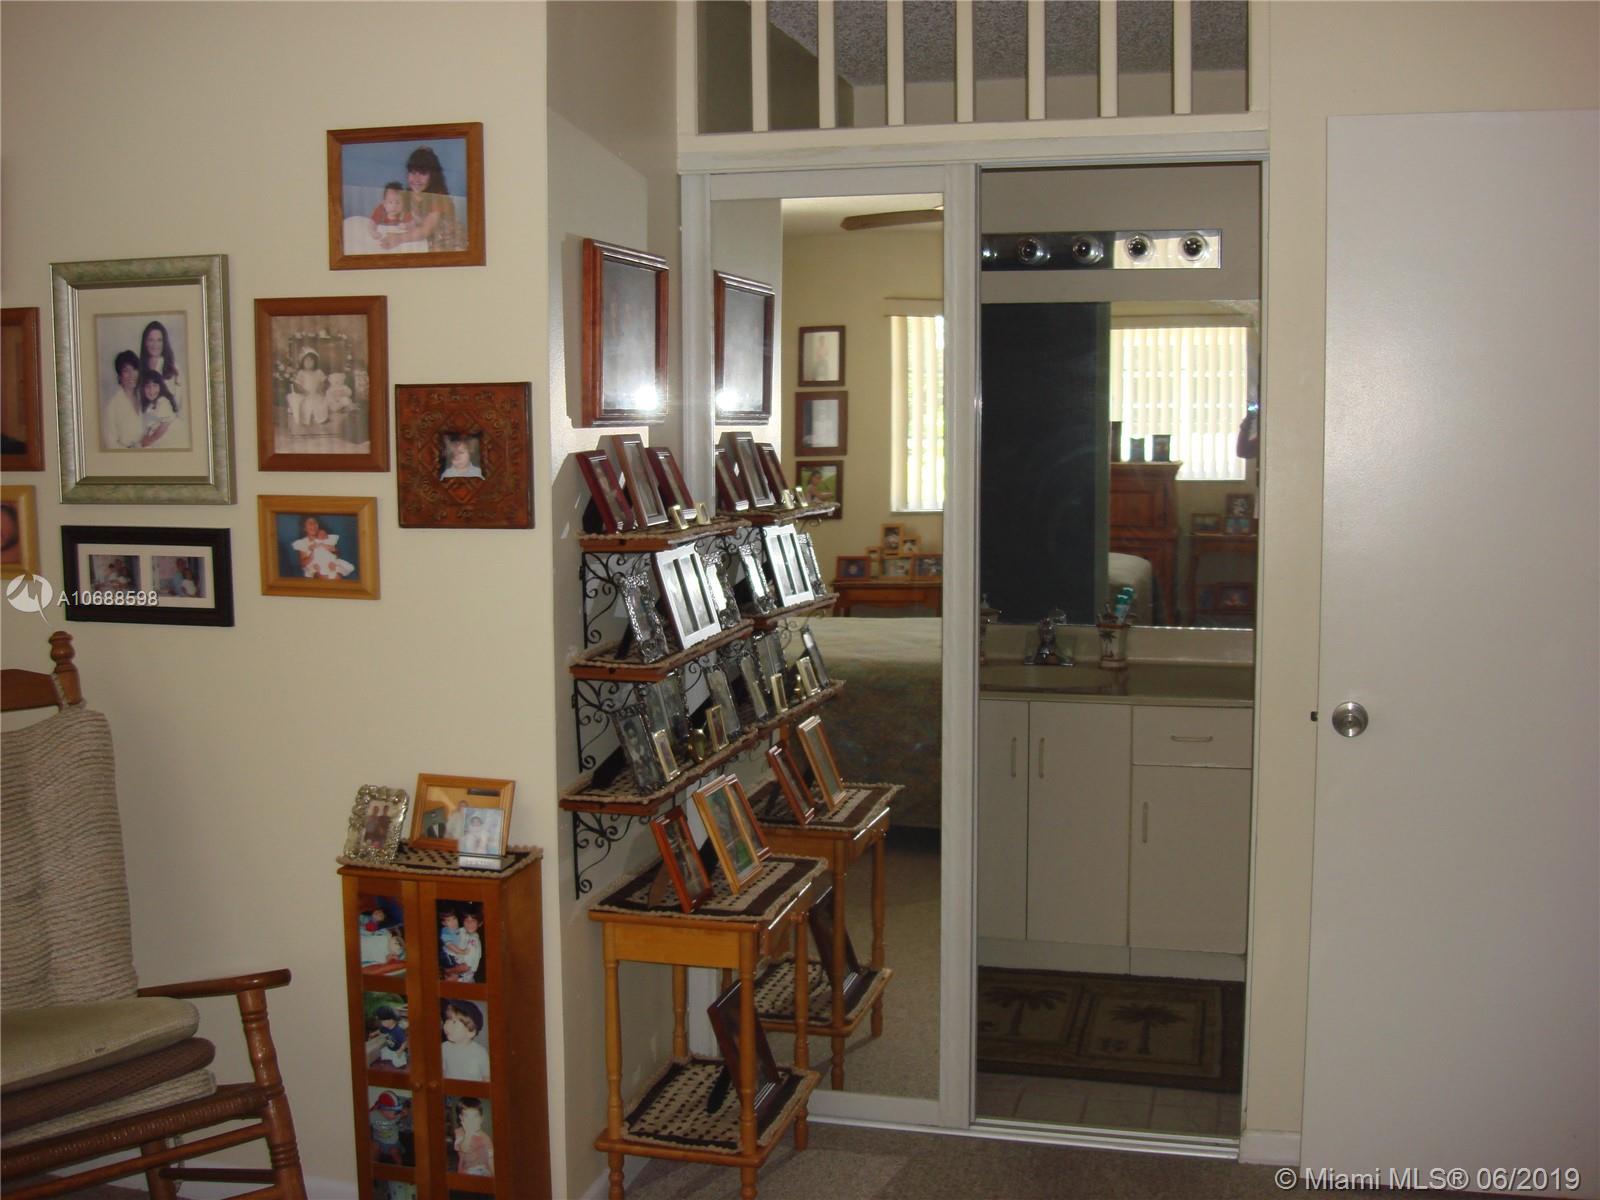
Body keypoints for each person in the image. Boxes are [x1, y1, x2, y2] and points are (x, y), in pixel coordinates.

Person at [375, 146, 461, 253]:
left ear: (433, 175)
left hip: (449, 242)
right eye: (412, 172)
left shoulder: (438, 197)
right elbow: (396, 212)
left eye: (423, 173)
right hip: (427, 239)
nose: (416, 179)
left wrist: (398, 238)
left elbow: (426, 230)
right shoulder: (411, 194)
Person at [101, 350, 145, 449]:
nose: (131, 374)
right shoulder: (112, 405)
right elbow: (110, 444)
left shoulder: (144, 397)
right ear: (119, 375)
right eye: (126, 371)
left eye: (134, 369)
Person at [139, 320, 182, 418]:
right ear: (145, 342)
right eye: (151, 340)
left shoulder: (174, 368)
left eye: (159, 340)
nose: (155, 345)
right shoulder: (139, 368)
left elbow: (179, 404)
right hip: (147, 421)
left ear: (164, 343)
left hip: (170, 421)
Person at [440, 1000, 489, 1080]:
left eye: (454, 1022)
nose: (446, 1025)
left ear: (470, 1032)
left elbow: (486, 1077)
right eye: (447, 1019)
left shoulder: (480, 1053)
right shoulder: (443, 1047)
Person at [137, 370, 180, 447]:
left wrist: (149, 441)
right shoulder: (149, 405)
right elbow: (149, 425)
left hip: (170, 437)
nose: (151, 390)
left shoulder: (163, 401)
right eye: (148, 386)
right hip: (159, 437)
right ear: (143, 388)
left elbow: (163, 427)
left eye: (155, 385)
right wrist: (145, 437)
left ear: (161, 386)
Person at [452, 1098, 494, 1177]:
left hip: (485, 1170)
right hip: (467, 1171)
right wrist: (468, 1133)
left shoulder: (486, 1138)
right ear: (461, 1118)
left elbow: (491, 1159)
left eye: (475, 1116)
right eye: (467, 1116)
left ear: (481, 1119)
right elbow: (464, 1148)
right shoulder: (459, 1132)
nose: (471, 1120)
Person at [288, 349, 327, 426]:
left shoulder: (319, 372)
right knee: (306, 405)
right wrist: (303, 391)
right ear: (302, 362)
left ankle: (320, 418)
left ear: (315, 362)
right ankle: (306, 419)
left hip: (316, 393)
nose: (308, 362)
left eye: (311, 360)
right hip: (305, 394)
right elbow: (298, 384)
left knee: (321, 404)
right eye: (306, 361)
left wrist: (320, 388)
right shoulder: (301, 373)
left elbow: (323, 382)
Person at [443, 910, 483, 982]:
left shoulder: (473, 942)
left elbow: (465, 967)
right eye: (466, 920)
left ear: (480, 923)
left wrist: (448, 971)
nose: (469, 923)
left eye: (473, 921)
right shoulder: (463, 930)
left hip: (463, 978)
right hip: (454, 968)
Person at [368, 1092, 407, 1164]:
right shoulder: (373, 1115)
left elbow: (404, 1114)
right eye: (395, 1112)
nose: (397, 1115)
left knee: (394, 1151)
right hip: (378, 1141)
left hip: (393, 1144)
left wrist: (404, 1111)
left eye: (398, 1112)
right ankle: (374, 1165)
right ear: (383, 1110)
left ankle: (400, 1167)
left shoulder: (396, 1116)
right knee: (374, 1146)